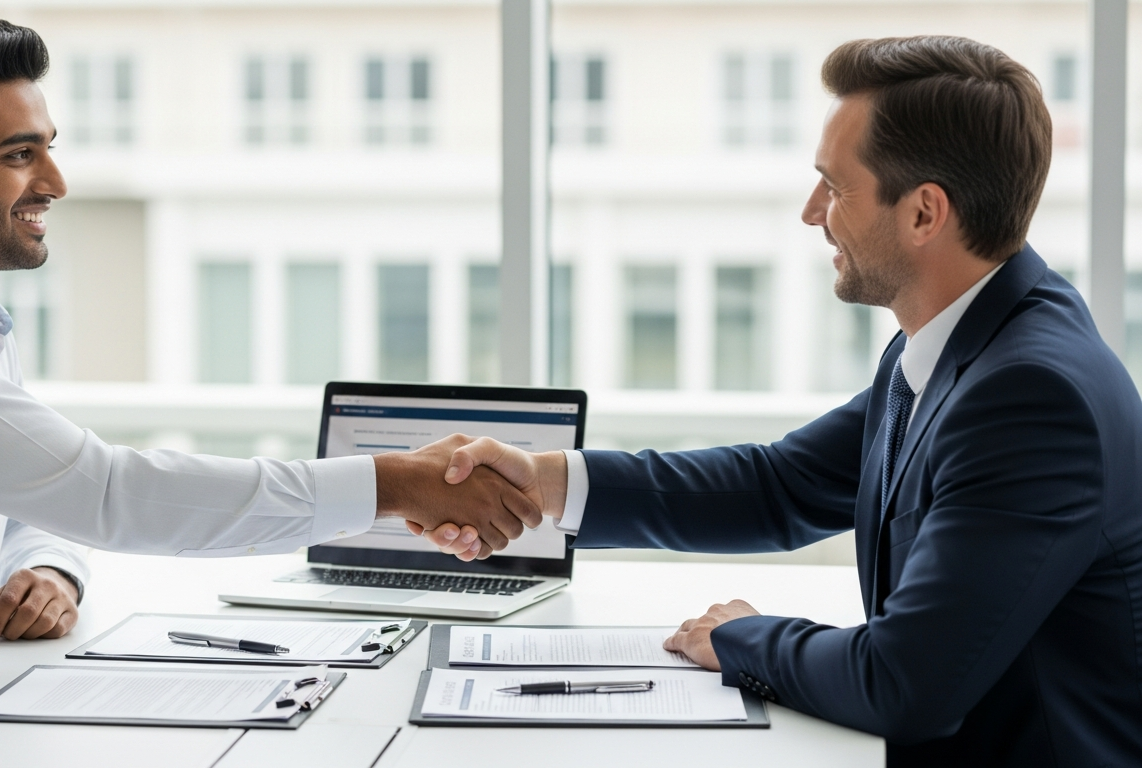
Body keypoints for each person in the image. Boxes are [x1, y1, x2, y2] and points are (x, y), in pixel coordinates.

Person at [0, 16, 533, 751]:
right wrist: (392, 485)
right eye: (20, 155)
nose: (55, 180)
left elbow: (28, 498)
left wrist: (52, 571)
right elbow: (101, 490)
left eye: (49, 146)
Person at [417, 36, 1142, 766]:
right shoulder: (958, 343)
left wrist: (739, 638)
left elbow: (905, 683)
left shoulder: (1031, 396)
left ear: (925, 213)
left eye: (835, 186)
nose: (811, 212)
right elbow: (780, 485)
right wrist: (541, 483)